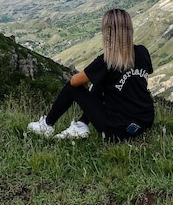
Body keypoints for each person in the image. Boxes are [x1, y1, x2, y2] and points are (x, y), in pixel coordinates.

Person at [27, 8, 155, 140]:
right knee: (101, 81)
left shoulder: (106, 61)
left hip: (117, 129)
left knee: (73, 88)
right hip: (145, 122)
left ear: (107, 33)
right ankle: (81, 124)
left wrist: (89, 82)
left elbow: (74, 82)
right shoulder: (142, 52)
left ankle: (47, 125)